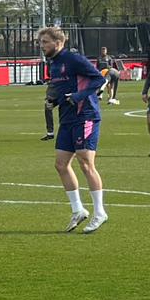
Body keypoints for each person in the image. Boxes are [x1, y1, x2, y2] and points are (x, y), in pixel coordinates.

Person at [39, 26, 107, 233]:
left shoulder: (74, 59)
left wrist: (77, 97)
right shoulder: (54, 64)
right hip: (67, 119)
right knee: (61, 164)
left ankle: (100, 212)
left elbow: (99, 79)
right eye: (41, 42)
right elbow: (63, 89)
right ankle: (78, 210)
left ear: (58, 43)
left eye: (45, 42)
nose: (42, 46)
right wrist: (55, 100)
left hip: (85, 116)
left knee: (86, 164)